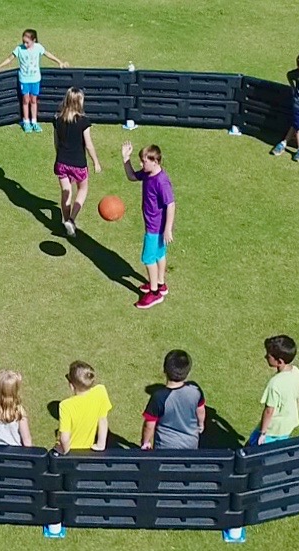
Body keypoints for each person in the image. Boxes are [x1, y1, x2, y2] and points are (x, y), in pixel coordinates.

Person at [121, 141, 176, 309]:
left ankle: (154, 293)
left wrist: (167, 229)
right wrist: (125, 159)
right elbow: (131, 176)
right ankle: (160, 284)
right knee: (159, 255)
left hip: (155, 227)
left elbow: (171, 204)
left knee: (148, 258)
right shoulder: (147, 173)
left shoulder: (161, 181)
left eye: (144, 161)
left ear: (155, 162)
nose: (141, 164)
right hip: (154, 226)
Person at [0, 29, 69, 133]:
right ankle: (26, 122)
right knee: (26, 100)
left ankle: (34, 122)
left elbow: (48, 54)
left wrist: (60, 62)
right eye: (24, 42)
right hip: (24, 79)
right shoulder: (19, 49)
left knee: (33, 100)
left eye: (27, 42)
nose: (25, 44)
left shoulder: (38, 48)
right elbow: (9, 59)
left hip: (35, 79)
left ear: (34, 40)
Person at [52, 87, 101, 237]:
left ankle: (66, 221)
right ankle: (71, 220)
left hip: (61, 163)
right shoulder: (83, 121)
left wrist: (59, 156)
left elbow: (56, 142)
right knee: (83, 189)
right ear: (79, 102)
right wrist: (96, 162)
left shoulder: (57, 119)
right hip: (78, 163)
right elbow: (88, 144)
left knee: (66, 192)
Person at [141, 350, 206, 450]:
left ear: (164, 370)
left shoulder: (159, 397)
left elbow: (149, 425)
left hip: (165, 446)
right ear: (188, 372)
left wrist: (145, 442)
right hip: (191, 444)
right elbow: (200, 410)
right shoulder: (195, 390)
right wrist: (201, 425)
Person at [249, 335, 299, 445]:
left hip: (272, 429)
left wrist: (263, 433)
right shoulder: (296, 371)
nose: (265, 357)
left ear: (279, 361)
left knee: (250, 450)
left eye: (268, 356)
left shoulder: (275, 383)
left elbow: (269, 411)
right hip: (287, 426)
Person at [57, 361, 111, 454]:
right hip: (88, 450)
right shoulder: (101, 391)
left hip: (71, 450)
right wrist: (100, 445)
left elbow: (64, 438)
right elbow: (103, 420)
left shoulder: (66, 405)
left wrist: (65, 453)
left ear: (71, 386)